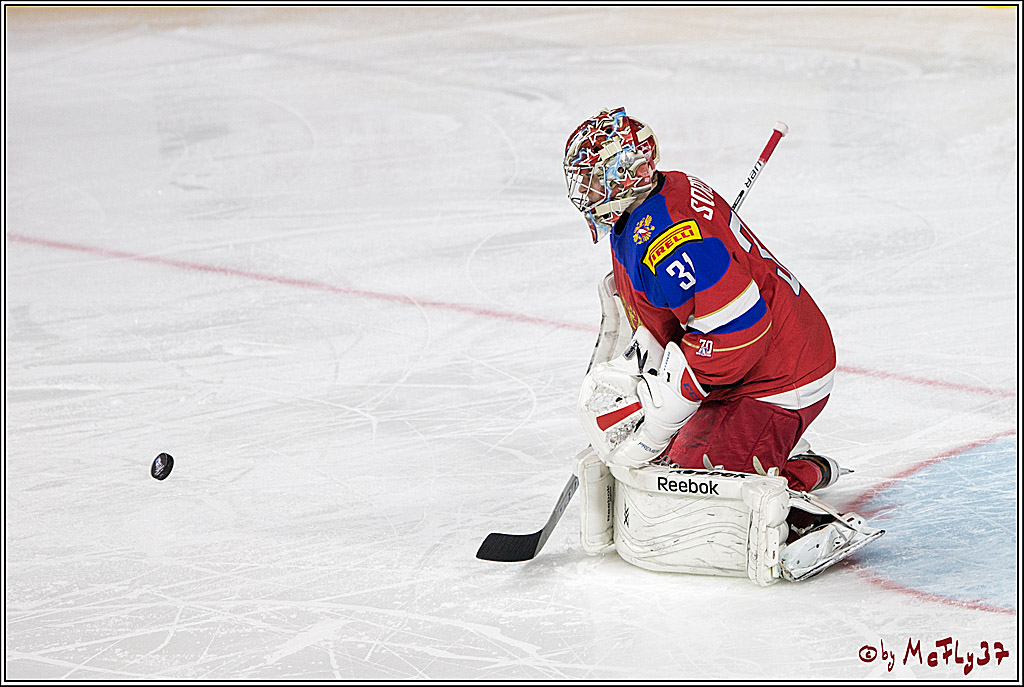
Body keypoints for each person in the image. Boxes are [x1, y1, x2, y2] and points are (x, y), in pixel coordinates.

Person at [564, 107, 840, 493]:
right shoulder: (653, 201)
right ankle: (766, 444)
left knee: (691, 488)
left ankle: (798, 472)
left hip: (778, 373)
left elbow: (740, 326)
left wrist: (676, 396)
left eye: (594, 179)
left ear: (627, 175)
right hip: (742, 365)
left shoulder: (670, 240)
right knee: (664, 465)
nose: (584, 192)